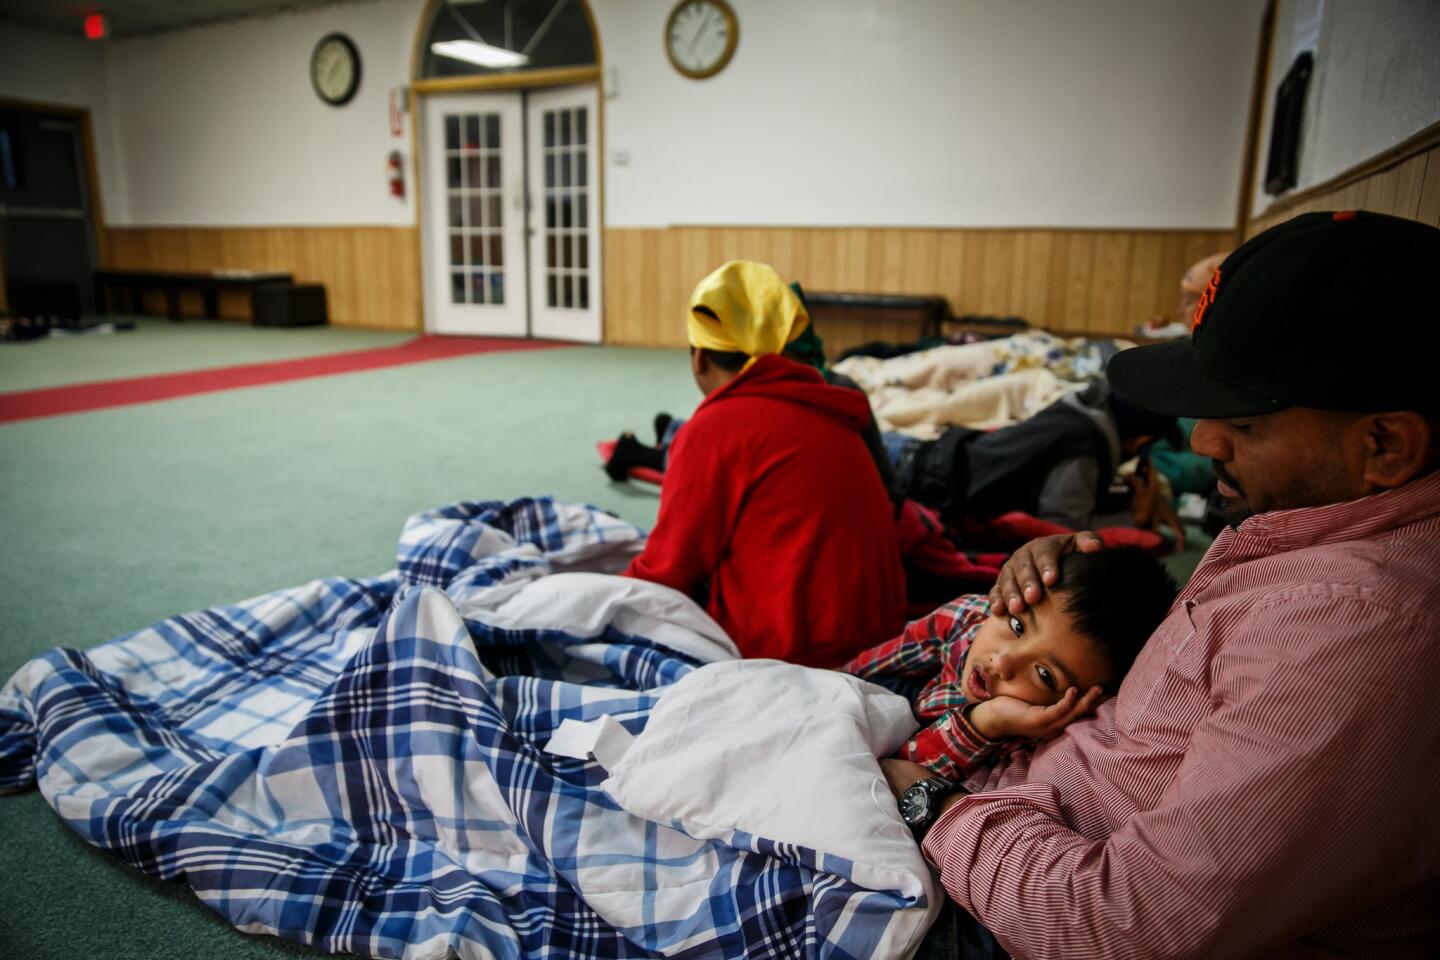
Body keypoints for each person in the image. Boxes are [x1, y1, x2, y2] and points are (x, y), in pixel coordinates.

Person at [884, 210, 1440, 958]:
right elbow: (1204, 685)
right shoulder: (1312, 526)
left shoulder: (1360, 629)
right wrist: (1075, 589)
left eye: (1246, 422)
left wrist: (929, 803)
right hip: (1005, 801)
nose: (1205, 439)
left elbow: (1125, 929)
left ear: (1385, 445)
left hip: (1014, 903)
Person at [624, 260, 906, 668]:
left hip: (789, 659)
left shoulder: (714, 429)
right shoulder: (829, 405)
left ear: (699, 357)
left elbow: (667, 573)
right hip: (882, 644)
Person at [843, 547, 1176, 783]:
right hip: (911, 697)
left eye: (1045, 675)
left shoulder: (1029, 744)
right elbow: (869, 667)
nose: (1002, 661)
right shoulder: (967, 619)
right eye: (1018, 626)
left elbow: (898, 777)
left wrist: (986, 724)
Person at [884, 380, 1187, 543]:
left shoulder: (1081, 408)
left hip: (916, 452)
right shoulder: (1085, 449)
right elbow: (1061, 525)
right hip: (914, 479)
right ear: (1140, 442)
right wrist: (1133, 517)